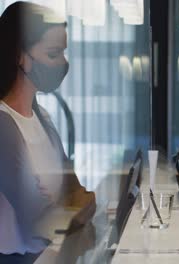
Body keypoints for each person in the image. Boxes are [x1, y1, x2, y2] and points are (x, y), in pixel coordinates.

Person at [0, 2, 95, 263]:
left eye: (64, 53)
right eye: (54, 54)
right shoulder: (3, 125)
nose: (63, 63)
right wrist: (63, 206)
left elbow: (76, 192)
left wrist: (66, 204)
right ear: (20, 56)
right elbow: (40, 221)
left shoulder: (43, 117)